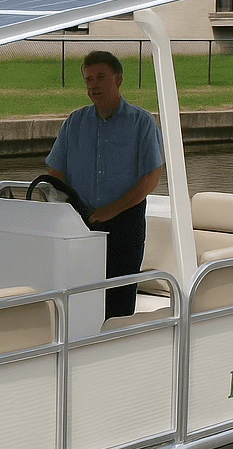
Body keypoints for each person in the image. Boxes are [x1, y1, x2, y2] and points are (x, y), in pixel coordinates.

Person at [45, 50, 164, 318]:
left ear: (118, 79)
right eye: (88, 79)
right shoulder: (74, 122)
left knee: (118, 300)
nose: (93, 85)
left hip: (125, 225)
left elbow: (150, 178)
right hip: (79, 224)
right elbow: (56, 171)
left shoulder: (142, 123)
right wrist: (63, 210)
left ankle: (118, 353)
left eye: (100, 77)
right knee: (77, 296)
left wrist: (110, 211)